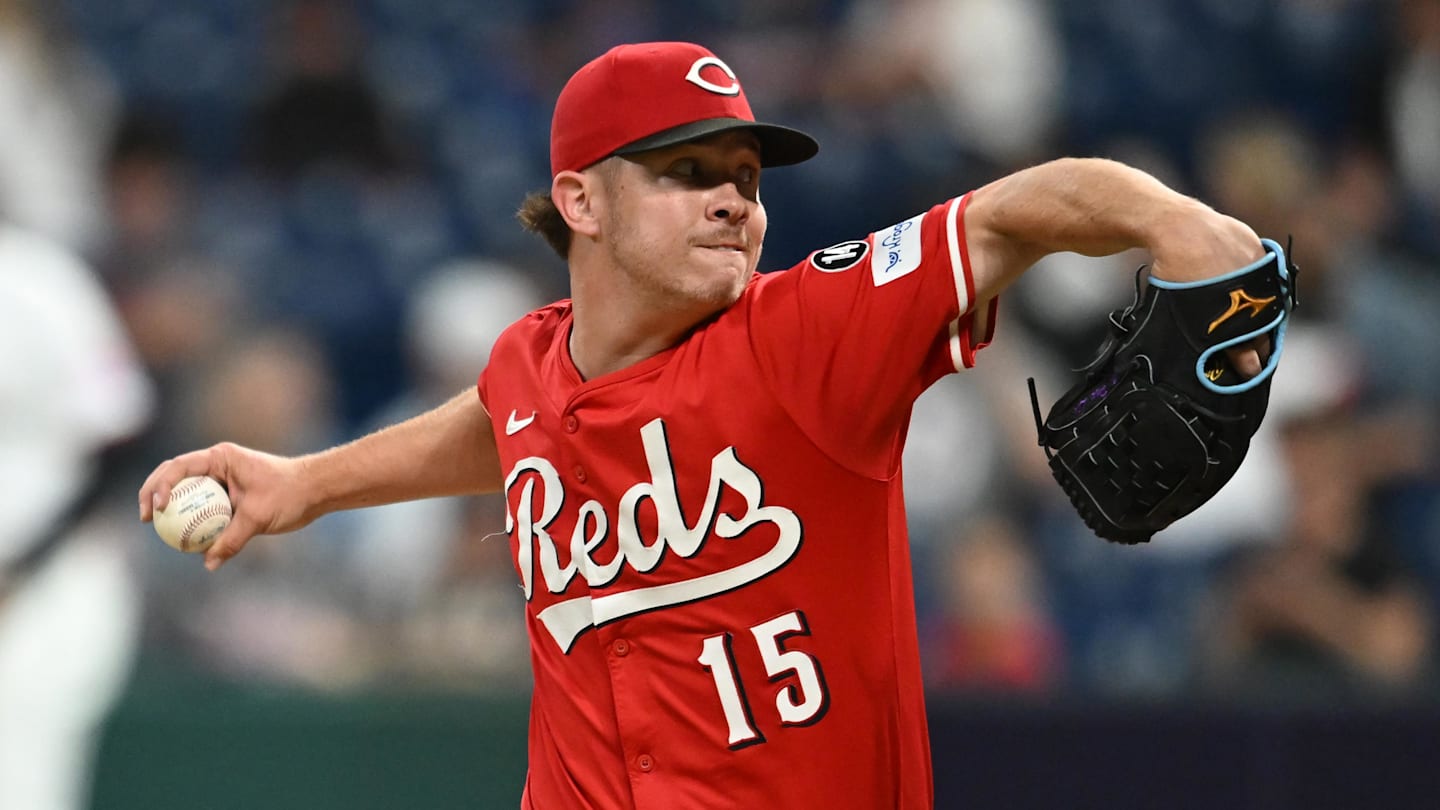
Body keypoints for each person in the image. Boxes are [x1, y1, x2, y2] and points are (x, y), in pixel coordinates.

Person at [139, 41, 1272, 810]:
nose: (738, 199)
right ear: (580, 200)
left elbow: (1016, 212)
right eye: (689, 172)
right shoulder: (528, 359)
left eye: (746, 175)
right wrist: (306, 484)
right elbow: (508, 423)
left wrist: (1174, 222)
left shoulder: (809, 334)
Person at [1, 222, 154, 810]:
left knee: (19, 780)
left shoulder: (36, 283)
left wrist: (20, 569)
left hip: (47, 591)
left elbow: (122, 438)